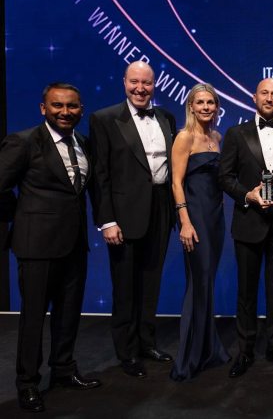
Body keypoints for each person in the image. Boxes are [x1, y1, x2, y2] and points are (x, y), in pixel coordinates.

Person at [0, 83, 101, 412]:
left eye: (72, 106)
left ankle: (64, 370)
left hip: (74, 244)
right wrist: (22, 217)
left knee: (68, 313)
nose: (65, 112)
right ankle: (27, 382)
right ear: (44, 108)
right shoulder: (24, 141)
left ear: (81, 109)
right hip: (36, 246)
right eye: (58, 105)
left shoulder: (83, 142)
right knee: (33, 318)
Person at [89, 61, 177, 378]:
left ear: (155, 85)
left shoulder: (167, 117)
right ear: (124, 82)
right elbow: (99, 175)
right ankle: (127, 353)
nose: (141, 88)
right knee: (125, 286)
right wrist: (107, 221)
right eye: (135, 82)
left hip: (161, 207)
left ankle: (146, 343)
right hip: (124, 215)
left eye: (147, 83)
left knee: (151, 282)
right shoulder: (104, 118)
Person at [218, 78, 273, 378]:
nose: (269, 98)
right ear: (254, 98)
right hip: (248, 223)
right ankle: (245, 350)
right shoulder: (235, 133)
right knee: (246, 291)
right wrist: (248, 195)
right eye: (264, 93)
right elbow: (224, 177)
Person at [169, 83, 232, 382]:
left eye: (211, 102)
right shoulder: (184, 137)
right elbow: (176, 182)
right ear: (191, 107)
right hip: (194, 219)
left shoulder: (217, 137)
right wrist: (185, 221)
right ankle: (188, 360)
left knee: (207, 283)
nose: (206, 107)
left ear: (217, 107)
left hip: (215, 218)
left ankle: (208, 350)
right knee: (198, 283)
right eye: (200, 102)